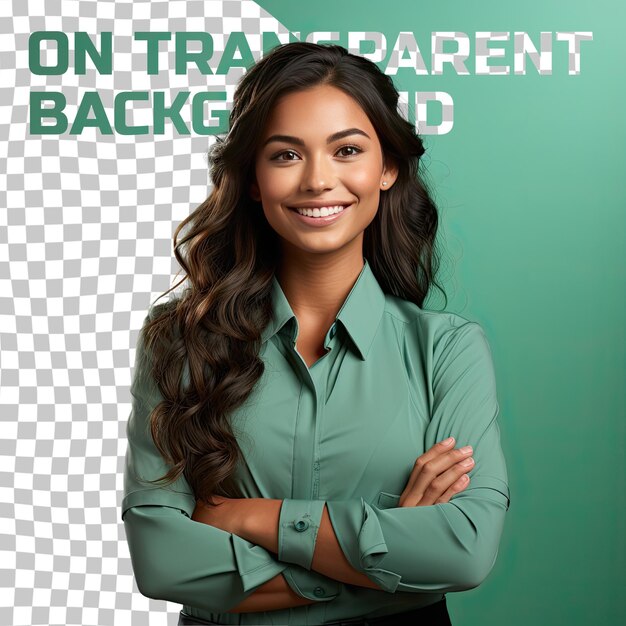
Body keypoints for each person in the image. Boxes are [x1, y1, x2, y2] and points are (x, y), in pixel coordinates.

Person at [121, 42, 511, 626]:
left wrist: (254, 519)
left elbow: (464, 547)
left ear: (388, 167)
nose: (318, 180)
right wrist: (382, 560)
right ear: (253, 178)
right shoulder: (178, 342)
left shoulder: (447, 350)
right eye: (285, 156)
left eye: (347, 150)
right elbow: (163, 560)